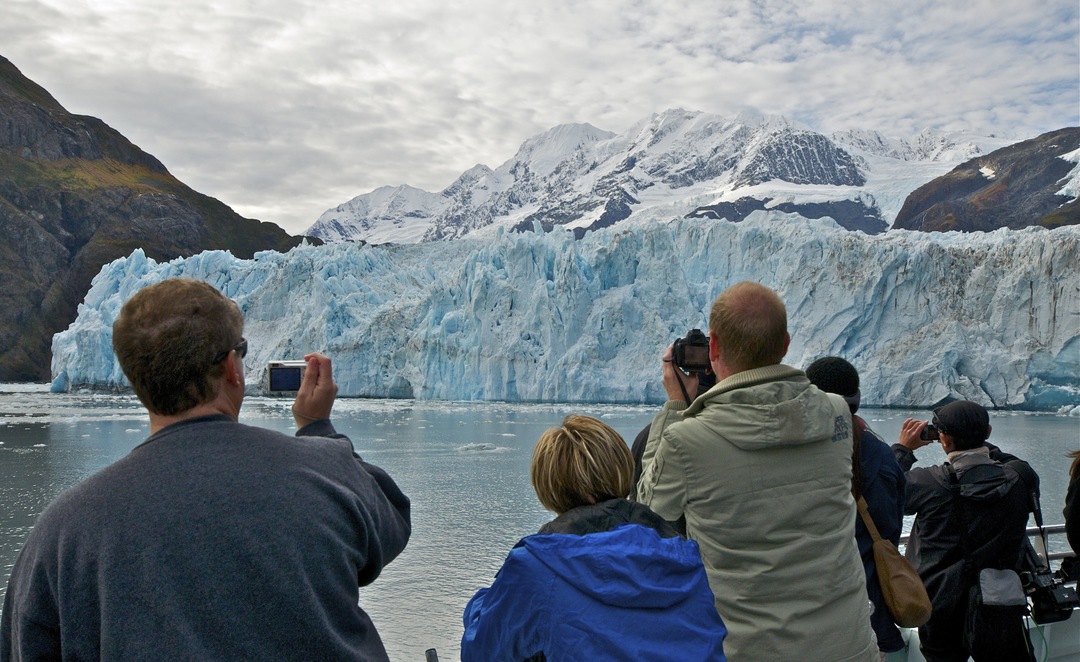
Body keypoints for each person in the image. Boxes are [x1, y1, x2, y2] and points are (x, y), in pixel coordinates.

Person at [0, 278, 412, 660]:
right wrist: (317, 428)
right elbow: (392, 522)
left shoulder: (62, 532)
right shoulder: (326, 471)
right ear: (232, 367)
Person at [636, 281, 877, 661]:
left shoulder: (688, 439)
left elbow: (647, 514)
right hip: (847, 646)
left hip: (749, 651)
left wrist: (673, 408)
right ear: (785, 344)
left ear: (712, 348)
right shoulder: (835, 414)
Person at [461, 415, 727, 661]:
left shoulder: (538, 567)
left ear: (548, 485)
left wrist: (482, 603)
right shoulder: (684, 557)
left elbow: (480, 650)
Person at [893, 400, 1036, 662]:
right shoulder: (1019, 479)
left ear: (943, 439)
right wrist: (976, 440)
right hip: (998, 597)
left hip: (940, 601)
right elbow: (1012, 462)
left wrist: (903, 450)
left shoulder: (928, 483)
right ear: (989, 432)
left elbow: (885, 489)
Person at [806, 356, 907, 659]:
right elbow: (891, 525)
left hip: (807, 613)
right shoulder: (880, 454)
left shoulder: (797, 452)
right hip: (868, 613)